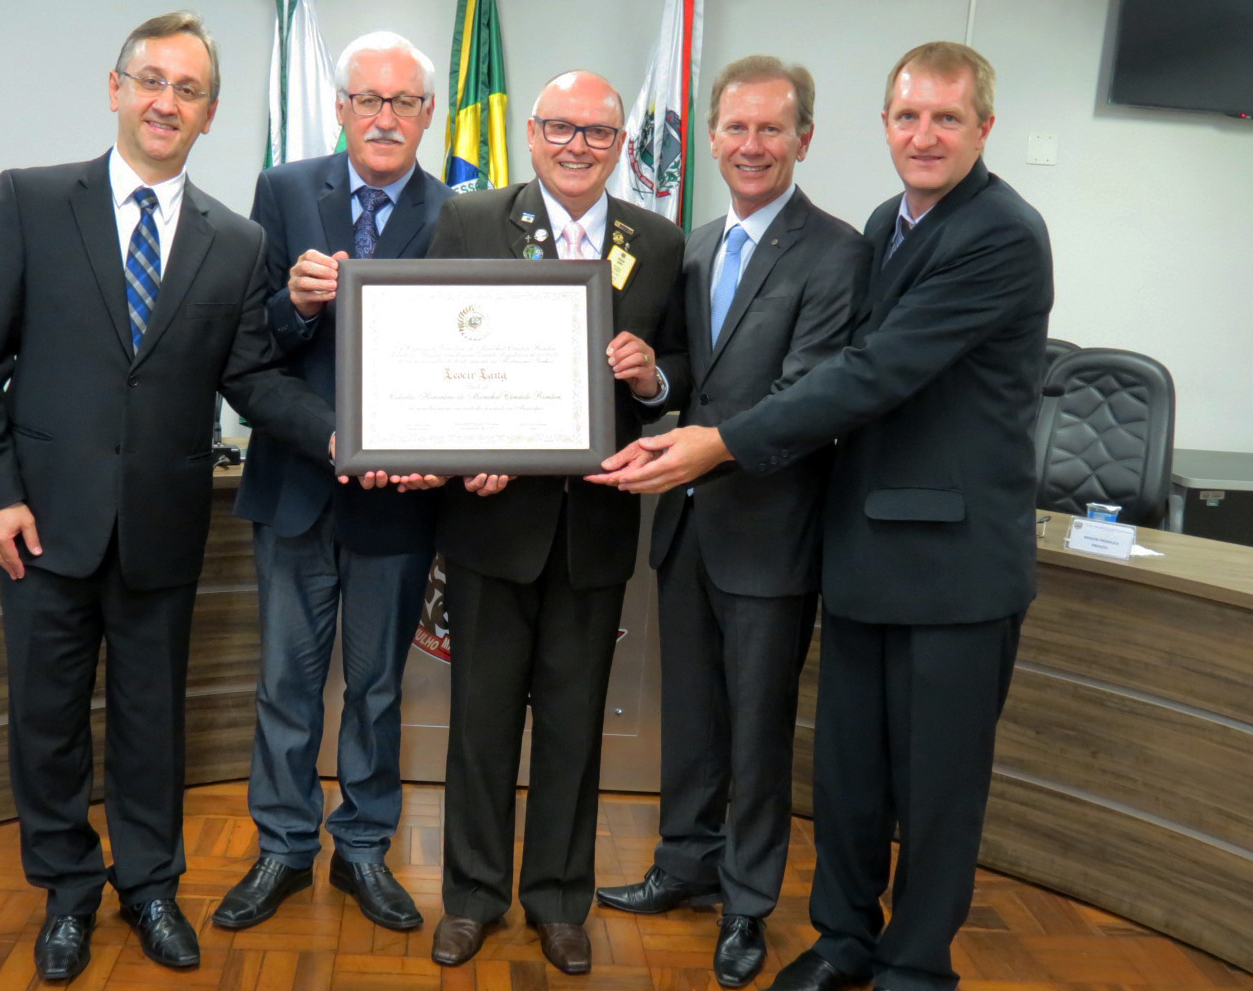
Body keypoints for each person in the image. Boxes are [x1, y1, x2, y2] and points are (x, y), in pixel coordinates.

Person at [589, 41, 1053, 991]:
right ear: (884, 125)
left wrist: (714, 443)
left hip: (953, 565)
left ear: (983, 129)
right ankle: (842, 938)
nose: (923, 134)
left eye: (946, 118)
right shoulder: (891, 223)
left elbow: (868, 375)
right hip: (865, 549)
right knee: (846, 775)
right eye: (909, 116)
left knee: (933, 789)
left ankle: (913, 967)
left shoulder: (1000, 231)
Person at [0, 12, 331, 982]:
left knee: (152, 722)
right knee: (46, 721)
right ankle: (68, 892)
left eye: (187, 89)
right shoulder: (31, 202)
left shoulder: (236, 243)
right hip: (38, 527)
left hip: (161, 531)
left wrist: (339, 437)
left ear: (208, 115)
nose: (166, 101)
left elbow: (252, 379)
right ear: (115, 89)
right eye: (151, 80)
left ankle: (150, 885)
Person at [592, 55, 869, 989]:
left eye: (769, 130)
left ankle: (748, 903)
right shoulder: (695, 242)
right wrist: (648, 382)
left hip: (771, 530)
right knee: (693, 719)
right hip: (686, 527)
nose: (750, 146)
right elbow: (682, 373)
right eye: (734, 128)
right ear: (708, 136)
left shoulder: (837, 253)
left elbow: (810, 396)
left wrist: (705, 443)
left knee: (757, 729)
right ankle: (684, 864)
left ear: (802, 140)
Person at [423, 70, 684, 976]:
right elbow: (433, 350)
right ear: (530, 134)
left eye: (598, 133)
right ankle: (469, 897)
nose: (578, 145)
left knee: (574, 727)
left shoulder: (655, 239)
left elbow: (676, 372)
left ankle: (560, 899)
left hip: (593, 529)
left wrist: (649, 375)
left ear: (621, 145)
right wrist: (465, 446)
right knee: (480, 724)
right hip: (491, 524)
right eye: (561, 128)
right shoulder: (470, 221)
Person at [211, 31, 453, 937]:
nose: (384, 118)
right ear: (343, 108)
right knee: (285, 683)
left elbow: (456, 368)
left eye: (403, 102)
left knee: (379, 687)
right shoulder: (282, 192)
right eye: (368, 100)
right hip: (296, 484)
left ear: (426, 113)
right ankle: (281, 845)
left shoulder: (459, 214)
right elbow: (248, 345)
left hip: (400, 495)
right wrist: (294, 301)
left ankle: (362, 848)